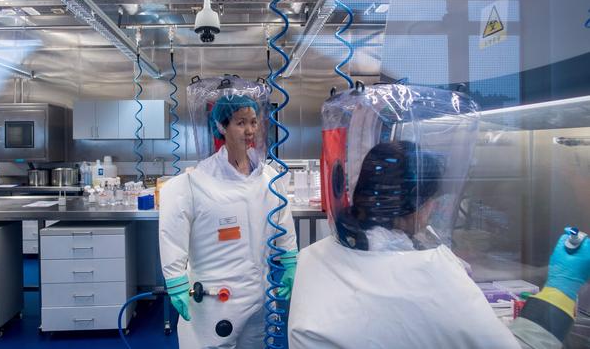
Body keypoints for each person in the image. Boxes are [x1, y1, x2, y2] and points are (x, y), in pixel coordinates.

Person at [288, 140, 590, 349]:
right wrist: (562, 287)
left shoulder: (314, 256)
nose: (433, 209)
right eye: (432, 200)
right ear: (418, 205)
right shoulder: (429, 274)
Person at [159, 93, 298, 349]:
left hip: (260, 295)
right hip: (216, 300)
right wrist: (175, 279)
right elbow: (172, 231)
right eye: (240, 122)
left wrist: (290, 260)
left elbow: (283, 221)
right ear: (222, 127)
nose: (249, 131)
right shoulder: (196, 182)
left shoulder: (269, 177)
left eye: (254, 122)